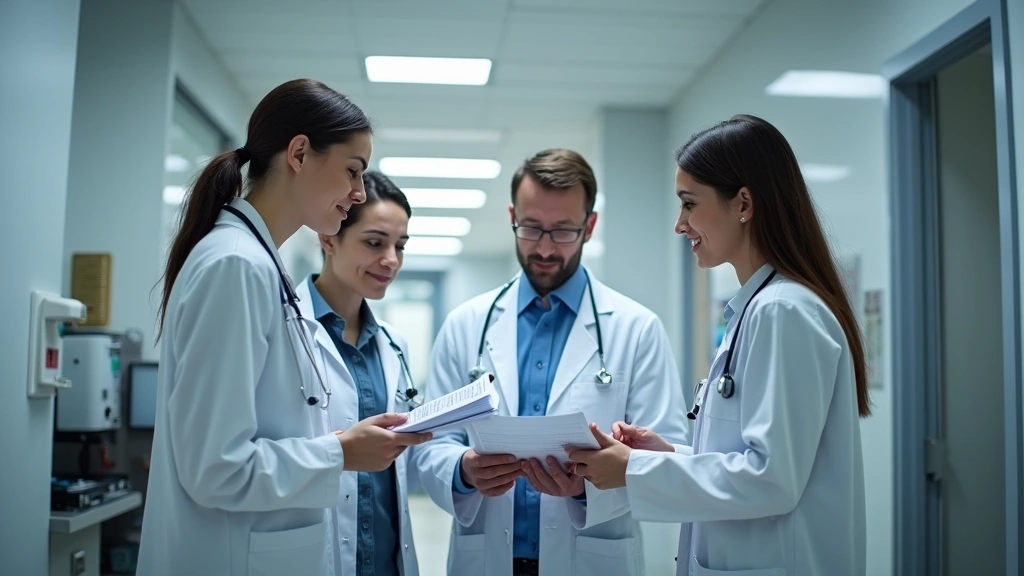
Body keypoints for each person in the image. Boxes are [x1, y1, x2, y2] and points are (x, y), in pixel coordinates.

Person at [137, 79, 431, 576]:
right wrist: (341, 452)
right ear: (299, 152)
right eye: (352, 171)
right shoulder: (236, 265)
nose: (358, 191)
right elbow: (216, 469)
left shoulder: (259, 265)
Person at [567, 114, 869, 576]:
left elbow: (772, 481)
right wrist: (665, 456)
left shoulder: (782, 312)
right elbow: (758, 463)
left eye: (689, 204)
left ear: (743, 203)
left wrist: (633, 470)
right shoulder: (759, 309)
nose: (679, 225)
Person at [410, 148, 689, 576]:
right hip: (486, 557)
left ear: (589, 226)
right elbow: (431, 446)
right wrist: (463, 471)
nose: (543, 248)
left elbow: (664, 457)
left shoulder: (638, 328)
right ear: (511, 217)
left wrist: (587, 489)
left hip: (593, 558)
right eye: (531, 228)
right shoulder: (466, 324)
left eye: (562, 231)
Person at [293, 170, 421, 576]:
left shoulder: (393, 345)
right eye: (374, 243)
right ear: (328, 238)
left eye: (400, 246)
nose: (391, 260)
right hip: (312, 554)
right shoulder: (283, 332)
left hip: (385, 561)